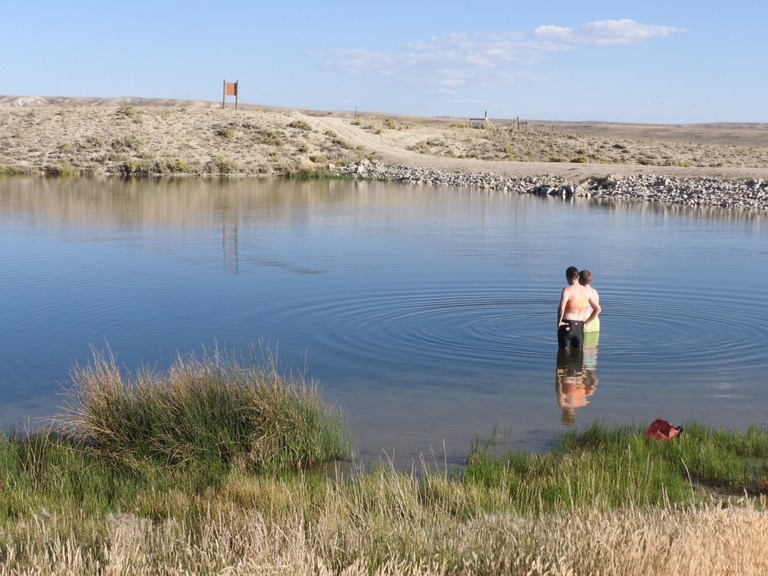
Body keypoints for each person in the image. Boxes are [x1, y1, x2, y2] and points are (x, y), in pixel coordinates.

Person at [557, 266, 600, 349]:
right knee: (579, 354)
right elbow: (598, 309)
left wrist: (559, 322)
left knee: (564, 353)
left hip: (567, 324)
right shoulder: (587, 291)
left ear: (567, 278)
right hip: (580, 326)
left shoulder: (567, 290)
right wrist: (586, 323)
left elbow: (562, 307)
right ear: (578, 277)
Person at [579, 269, 601, 354]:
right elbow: (597, 309)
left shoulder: (581, 292)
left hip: (585, 324)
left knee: (582, 353)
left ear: (580, 280)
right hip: (595, 323)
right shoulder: (595, 292)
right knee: (592, 354)